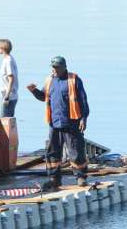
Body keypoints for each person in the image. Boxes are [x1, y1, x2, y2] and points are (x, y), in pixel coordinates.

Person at [27, 56, 90, 190]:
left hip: (72, 122)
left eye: (56, 68)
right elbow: (43, 97)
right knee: (53, 151)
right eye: (53, 67)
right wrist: (34, 91)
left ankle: (80, 177)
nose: (54, 70)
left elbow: (83, 100)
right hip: (54, 122)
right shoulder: (50, 80)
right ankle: (54, 178)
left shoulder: (74, 80)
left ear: (63, 67)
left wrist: (84, 118)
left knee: (75, 150)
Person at [0, 39, 19, 118]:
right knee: (6, 122)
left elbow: (11, 79)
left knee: (3, 122)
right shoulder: (7, 59)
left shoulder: (8, 61)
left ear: (2, 48)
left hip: (9, 97)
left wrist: (6, 96)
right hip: (8, 96)